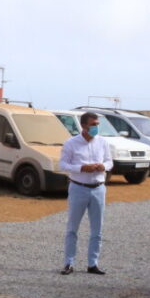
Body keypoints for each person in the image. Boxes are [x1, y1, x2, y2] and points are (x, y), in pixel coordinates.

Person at [59, 111, 113, 275]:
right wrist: (82, 168)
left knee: (97, 229)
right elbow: (63, 165)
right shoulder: (71, 143)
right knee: (72, 228)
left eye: (97, 124)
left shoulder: (103, 142)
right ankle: (69, 263)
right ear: (83, 126)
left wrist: (103, 166)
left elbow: (110, 161)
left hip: (98, 188)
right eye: (93, 124)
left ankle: (93, 263)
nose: (96, 127)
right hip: (78, 187)